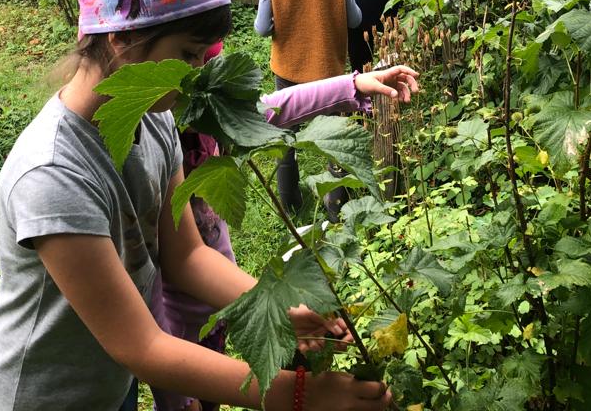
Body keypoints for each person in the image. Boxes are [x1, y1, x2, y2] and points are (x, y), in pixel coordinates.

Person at [0, 0, 406, 411]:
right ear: (123, 39)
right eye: (188, 55)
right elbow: (141, 346)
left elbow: (187, 258)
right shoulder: (53, 175)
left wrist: (279, 305)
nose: (199, 73)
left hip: (110, 384)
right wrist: (303, 395)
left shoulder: (154, 117)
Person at [151, 43, 420, 411]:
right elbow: (154, 319)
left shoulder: (216, 123)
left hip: (225, 295)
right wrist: (178, 400)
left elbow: (278, 107)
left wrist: (353, 85)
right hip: (177, 329)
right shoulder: (159, 158)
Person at [255, 0, 362, 216]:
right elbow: (355, 20)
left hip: (287, 69)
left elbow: (261, 28)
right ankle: (336, 207)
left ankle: (289, 203)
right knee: (335, 141)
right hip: (329, 72)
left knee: (284, 138)